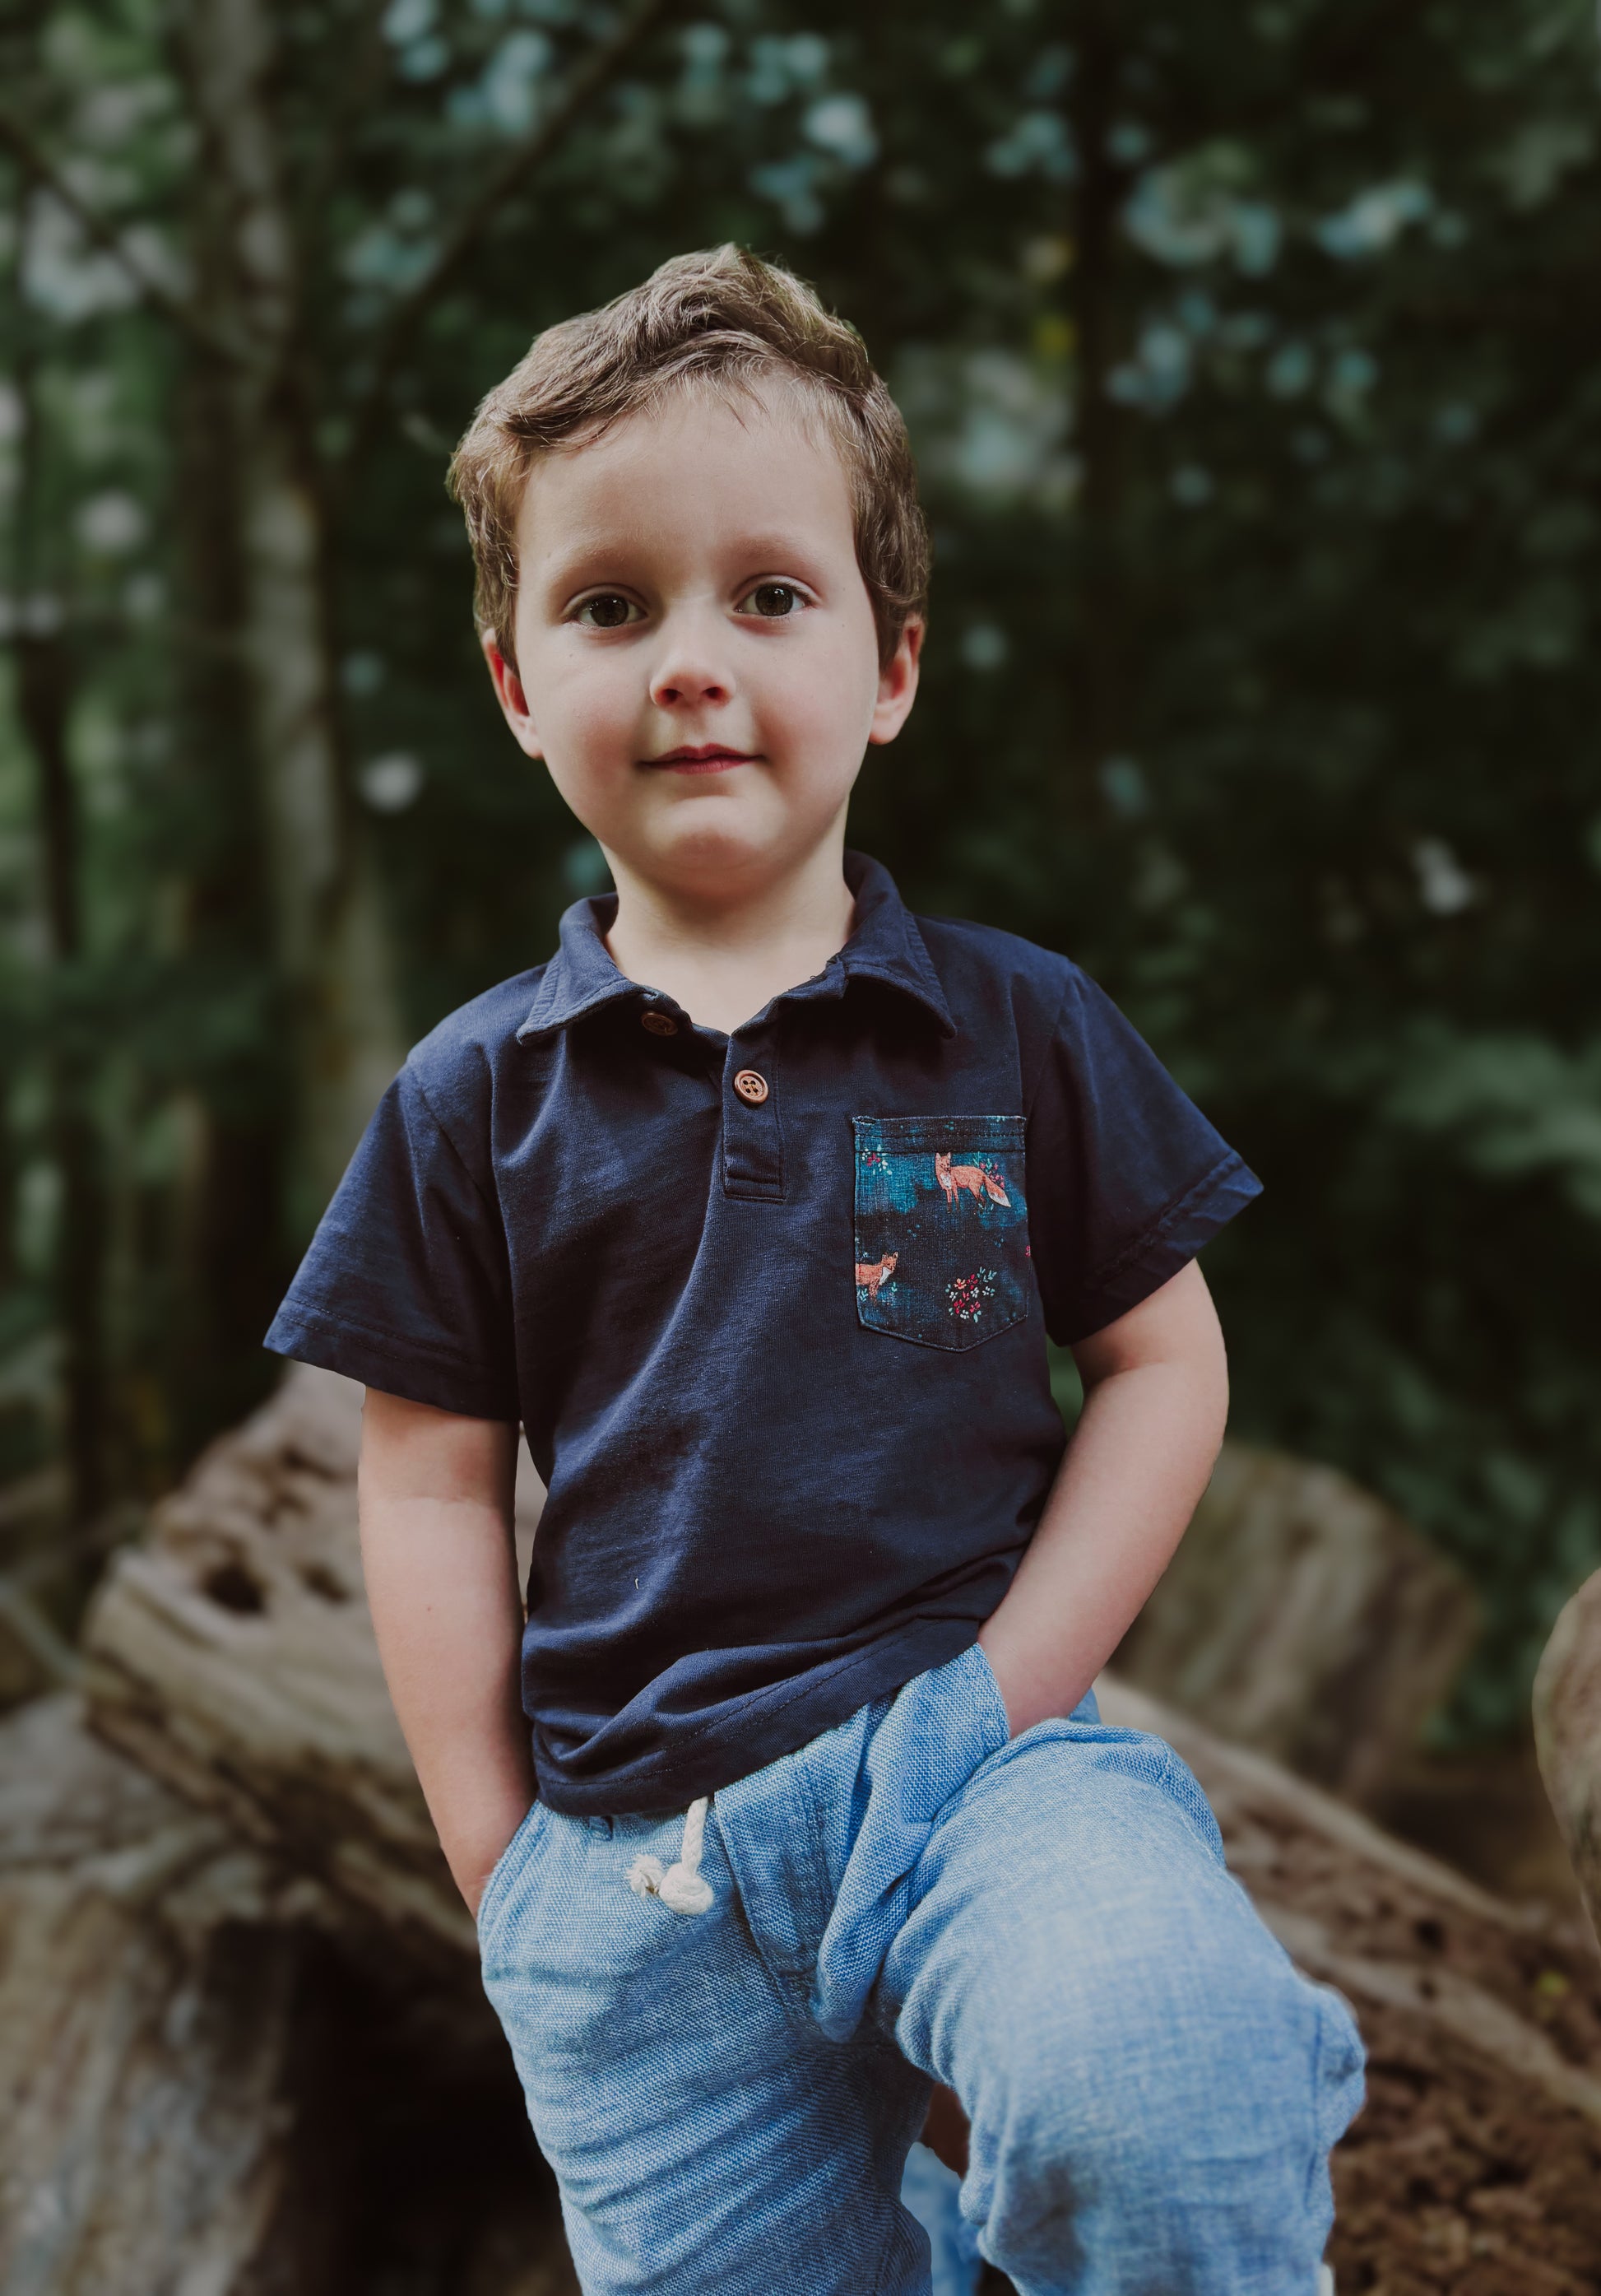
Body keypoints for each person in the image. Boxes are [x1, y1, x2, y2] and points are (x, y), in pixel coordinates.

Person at [265, 245, 1362, 2295]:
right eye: (610, 604)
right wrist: (506, 1871)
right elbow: (423, 1480)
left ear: (890, 668)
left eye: (768, 595)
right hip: (631, 1877)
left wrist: (998, 1703)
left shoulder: (1012, 1031)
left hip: (980, 1778)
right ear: (516, 685)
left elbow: (1164, 1367)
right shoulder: (469, 1095)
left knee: (1163, 2085)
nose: (692, 659)